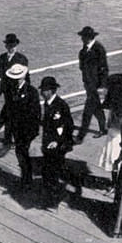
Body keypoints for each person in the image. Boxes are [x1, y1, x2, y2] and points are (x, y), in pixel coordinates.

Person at [0, 33, 28, 146]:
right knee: (10, 113)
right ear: (6, 46)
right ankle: (7, 137)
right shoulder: (2, 57)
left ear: (16, 45)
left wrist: (24, 93)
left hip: (17, 92)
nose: (11, 48)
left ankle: (7, 138)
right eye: (9, 45)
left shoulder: (22, 59)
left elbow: (26, 78)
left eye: (13, 45)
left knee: (13, 115)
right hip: (6, 91)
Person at [39, 76, 74, 208]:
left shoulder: (61, 105)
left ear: (52, 91)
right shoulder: (47, 104)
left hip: (57, 146)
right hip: (48, 144)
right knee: (48, 172)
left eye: (45, 90)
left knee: (53, 172)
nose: (42, 93)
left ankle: (53, 201)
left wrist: (58, 142)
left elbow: (68, 126)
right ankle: (50, 199)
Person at [5, 64, 41, 190]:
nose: (15, 80)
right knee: (21, 153)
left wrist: (32, 130)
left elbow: (36, 113)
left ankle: (27, 181)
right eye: (14, 78)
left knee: (22, 153)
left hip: (27, 129)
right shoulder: (12, 90)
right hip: (17, 128)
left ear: (23, 77)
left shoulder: (31, 92)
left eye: (18, 78)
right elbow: (7, 108)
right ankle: (26, 179)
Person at [76, 25, 109, 142]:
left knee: (87, 111)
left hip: (96, 85)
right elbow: (82, 67)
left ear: (88, 37)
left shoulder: (99, 49)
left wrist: (102, 86)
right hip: (88, 84)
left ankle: (80, 136)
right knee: (96, 108)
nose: (81, 39)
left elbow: (104, 69)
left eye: (83, 37)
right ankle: (103, 128)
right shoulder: (83, 51)